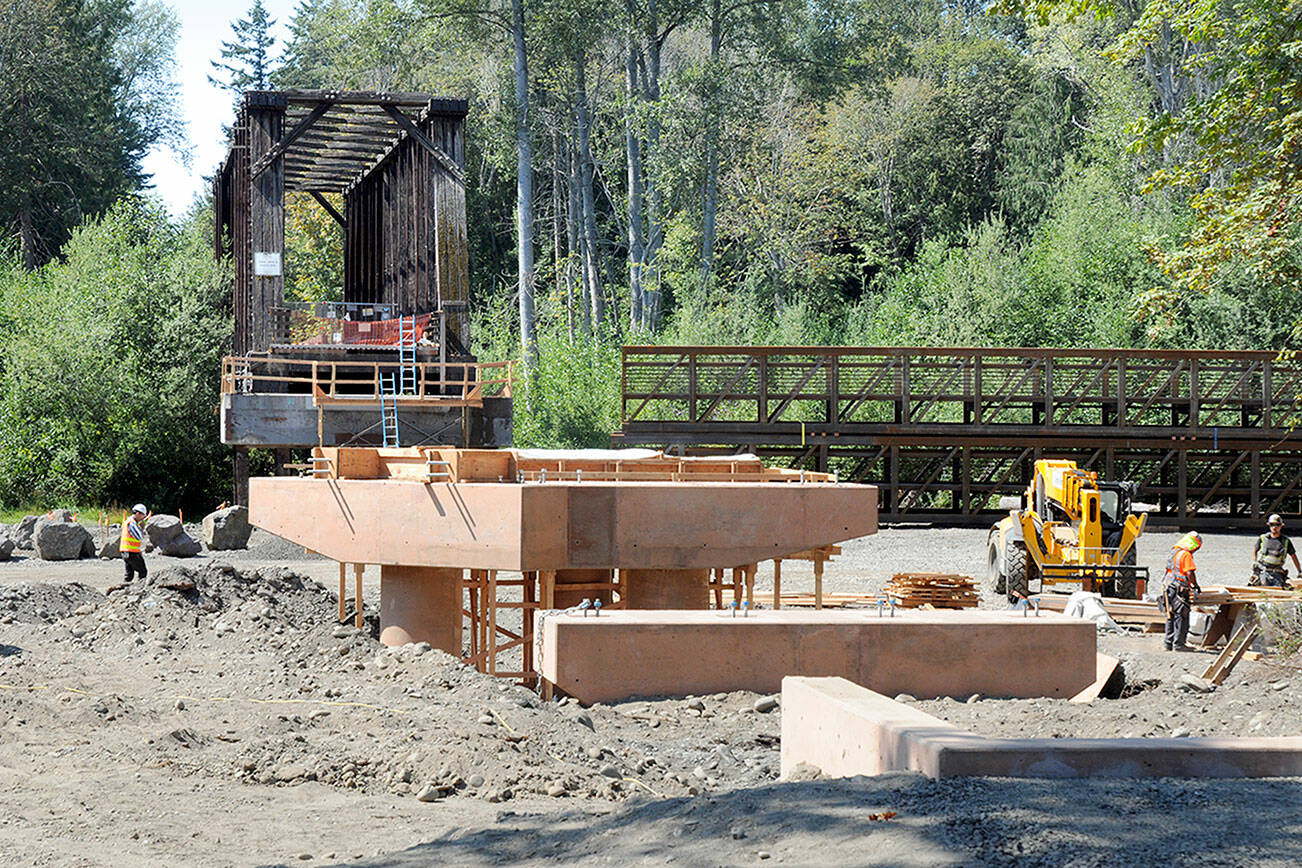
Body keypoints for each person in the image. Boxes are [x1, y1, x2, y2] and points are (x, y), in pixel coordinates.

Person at [1162, 531, 1202, 651]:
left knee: (1171, 614)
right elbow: (1190, 572)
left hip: (1168, 586)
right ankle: (1179, 644)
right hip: (1180, 588)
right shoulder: (1186, 555)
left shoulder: (1174, 552)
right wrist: (1195, 585)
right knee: (1182, 616)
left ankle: (1168, 642)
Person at [1251, 514, 1300, 588]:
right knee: (1262, 585)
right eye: (1272, 525)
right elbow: (1255, 549)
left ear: (1281, 526)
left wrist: (1299, 571)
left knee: (1278, 588)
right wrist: (1254, 561)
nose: (1274, 527)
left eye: (1277, 525)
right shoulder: (1263, 538)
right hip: (1263, 570)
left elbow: (1293, 556)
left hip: (1277, 572)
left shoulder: (1285, 541)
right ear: (1269, 525)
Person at [120, 503, 148, 583]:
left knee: (129, 574)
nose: (143, 518)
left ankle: (123, 590)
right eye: (143, 515)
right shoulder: (132, 523)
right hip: (131, 551)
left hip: (125, 551)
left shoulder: (127, 521)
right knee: (143, 571)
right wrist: (142, 528)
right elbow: (139, 536)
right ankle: (140, 589)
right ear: (138, 513)